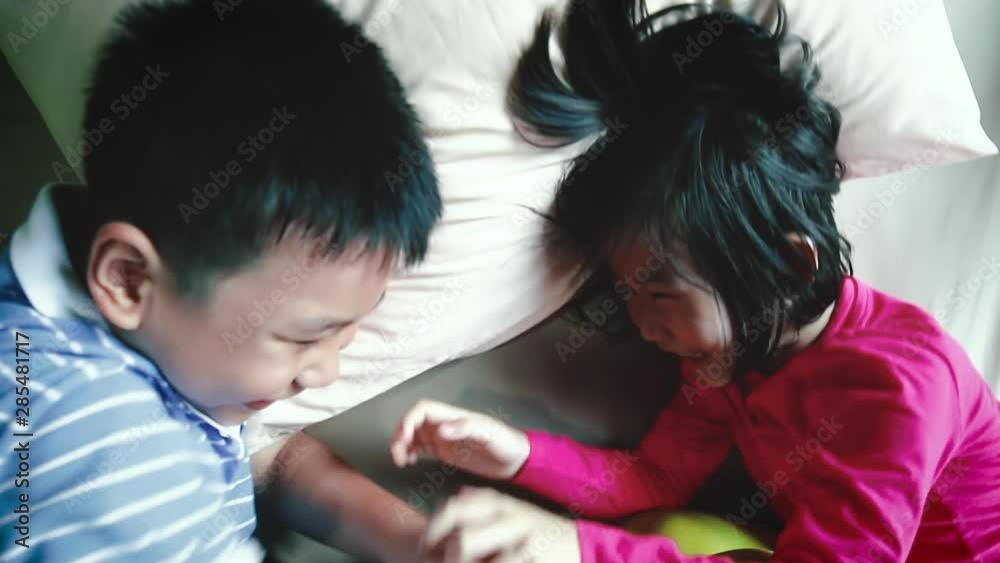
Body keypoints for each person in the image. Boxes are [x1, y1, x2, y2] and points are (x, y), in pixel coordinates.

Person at [388, 1, 1000, 561]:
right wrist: (517, 455)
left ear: (790, 266)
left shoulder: (897, 389)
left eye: (659, 294)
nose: (644, 326)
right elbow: (657, 477)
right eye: (629, 295)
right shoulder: (735, 352)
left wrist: (578, 550)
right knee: (663, 525)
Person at [0, 0, 441, 560]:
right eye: (305, 337)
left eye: (347, 332)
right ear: (127, 279)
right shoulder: (109, 470)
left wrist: (423, 543)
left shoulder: (138, 331)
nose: (325, 373)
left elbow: (252, 450)